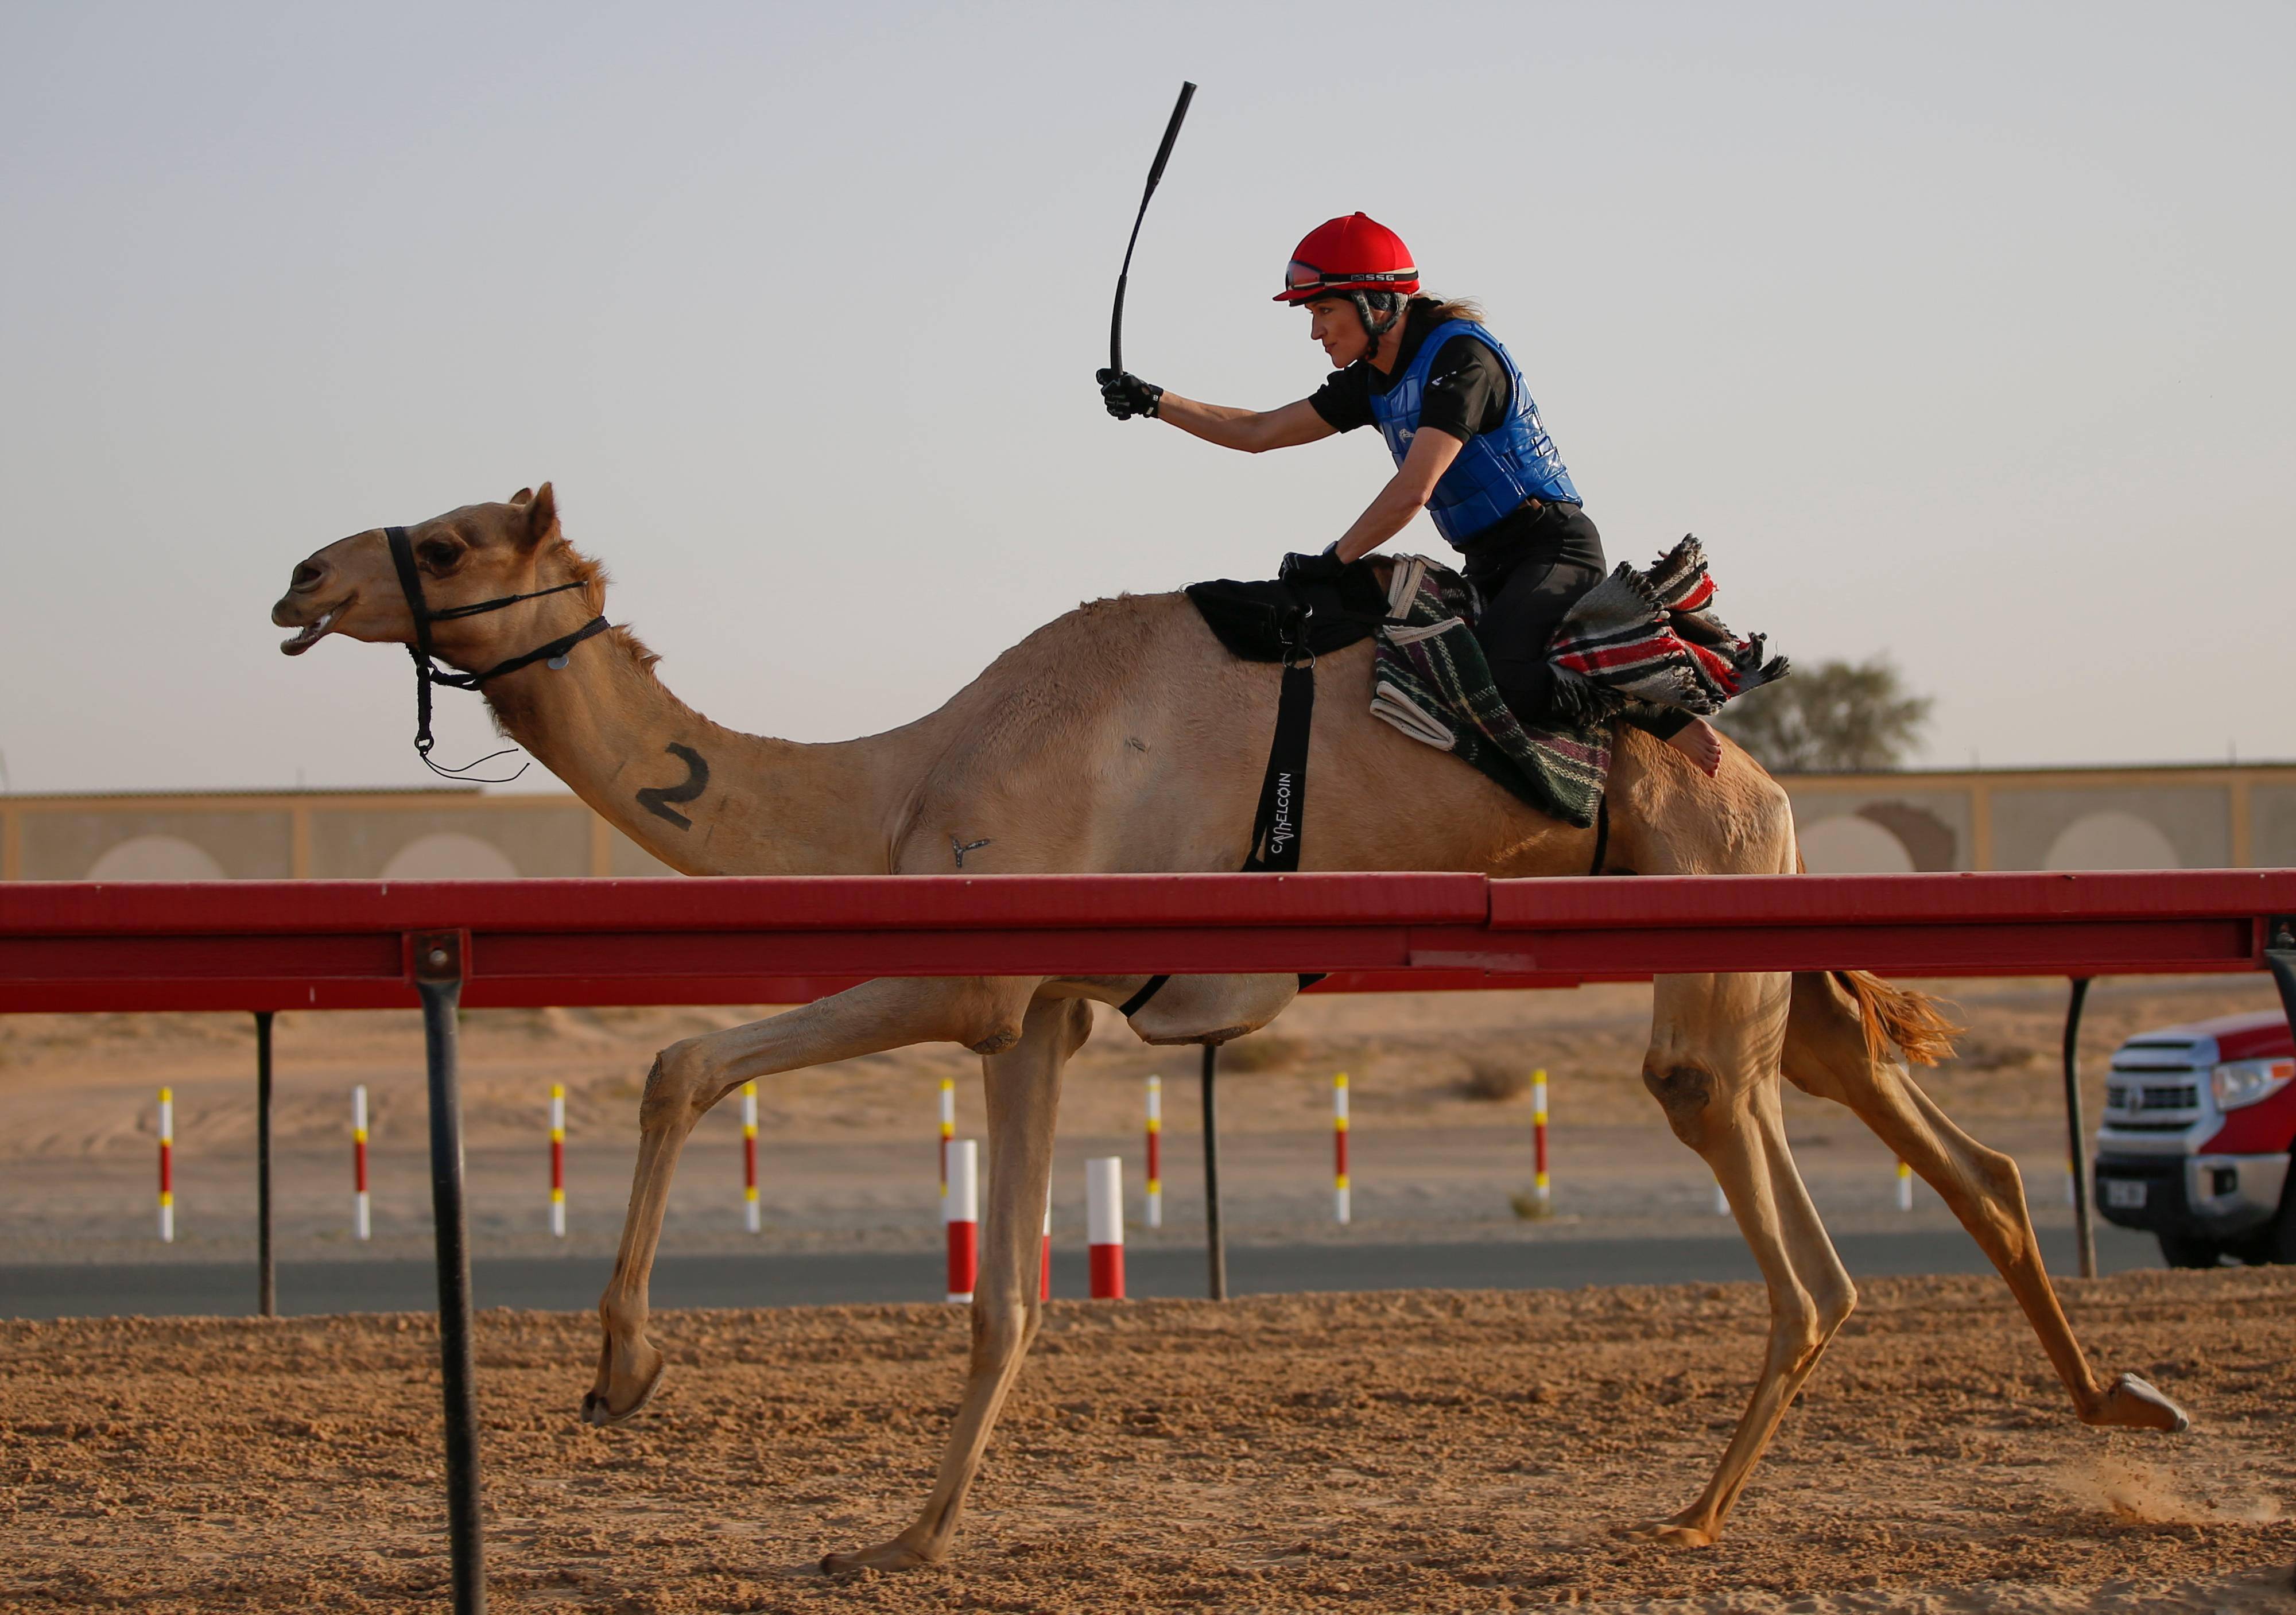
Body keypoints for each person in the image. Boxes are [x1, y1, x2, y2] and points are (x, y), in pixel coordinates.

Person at [1097, 212, 1720, 774]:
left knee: (1501, 679)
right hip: (1487, 563)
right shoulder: (1372, 378)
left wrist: (1335, 558)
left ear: (1374, 302)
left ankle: (1650, 707)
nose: (1316, 333)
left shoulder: (1463, 361)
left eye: (1323, 312)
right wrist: (1156, 402)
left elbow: (1412, 491)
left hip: (1550, 551)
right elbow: (1259, 433)